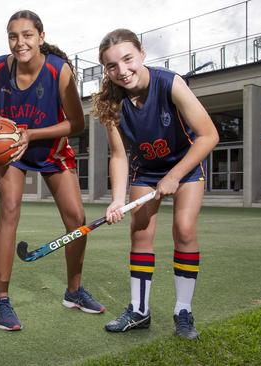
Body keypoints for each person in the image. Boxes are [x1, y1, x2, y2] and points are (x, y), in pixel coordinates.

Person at [0, 10, 105, 331]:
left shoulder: (59, 71)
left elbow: (76, 124)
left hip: (51, 149)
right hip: (13, 152)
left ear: (41, 37)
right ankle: (1, 300)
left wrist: (31, 134)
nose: (19, 42)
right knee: (9, 211)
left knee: (76, 219)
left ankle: (74, 291)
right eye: (13, 36)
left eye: (27, 35)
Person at [92, 29, 219, 339]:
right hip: (146, 171)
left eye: (127, 59)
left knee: (185, 230)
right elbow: (120, 156)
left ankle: (183, 311)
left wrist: (175, 175)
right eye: (112, 66)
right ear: (106, 70)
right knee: (140, 235)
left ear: (142, 54)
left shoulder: (170, 83)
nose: (122, 71)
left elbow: (209, 135)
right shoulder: (111, 103)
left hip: (184, 165)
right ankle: (139, 310)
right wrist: (116, 199)